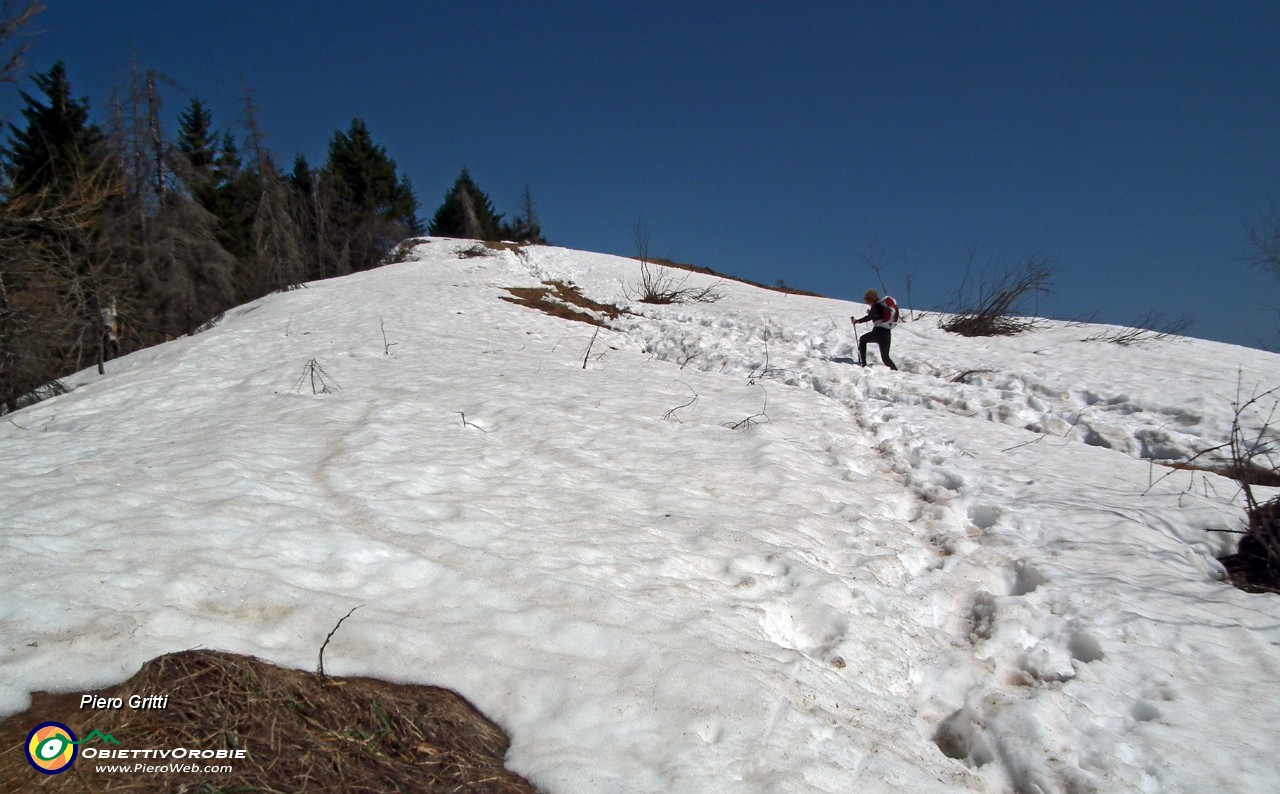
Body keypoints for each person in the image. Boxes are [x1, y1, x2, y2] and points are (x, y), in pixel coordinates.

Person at [850, 289, 898, 370]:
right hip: (887, 334)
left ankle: (863, 364)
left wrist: (857, 321)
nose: (868, 304)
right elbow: (875, 316)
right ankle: (896, 372)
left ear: (870, 300)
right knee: (885, 358)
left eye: (868, 302)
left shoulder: (876, 306)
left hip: (878, 332)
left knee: (863, 339)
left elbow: (869, 317)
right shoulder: (881, 306)